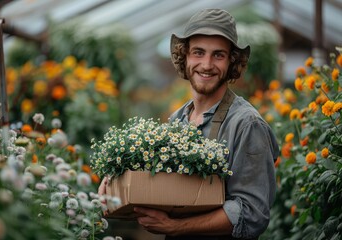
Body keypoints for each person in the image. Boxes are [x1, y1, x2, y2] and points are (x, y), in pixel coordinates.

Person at [99, 8, 279, 240]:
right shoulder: (178, 119)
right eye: (198, 52)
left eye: (218, 55)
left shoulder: (246, 125)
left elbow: (252, 214)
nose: (206, 64)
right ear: (184, 57)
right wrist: (116, 182)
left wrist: (176, 227)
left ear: (232, 62)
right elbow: (158, 183)